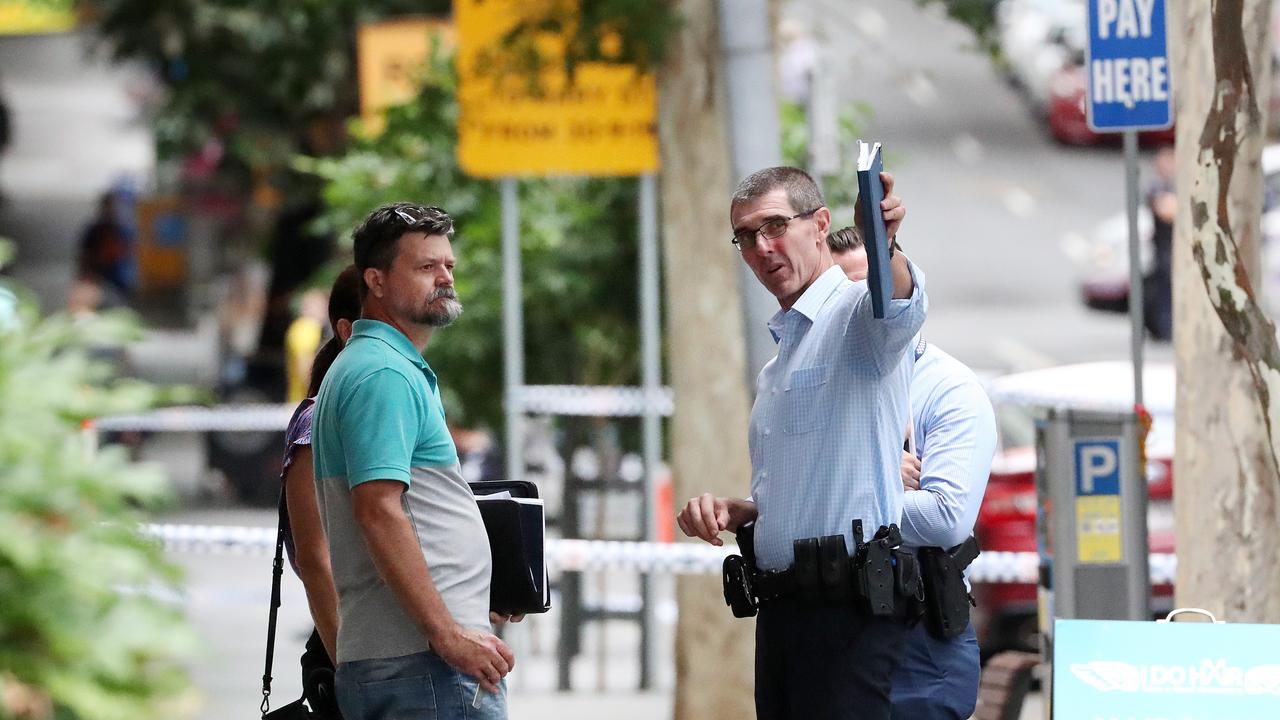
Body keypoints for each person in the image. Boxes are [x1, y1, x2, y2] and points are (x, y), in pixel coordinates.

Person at [677, 166, 927, 719]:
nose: (761, 248)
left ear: (820, 226)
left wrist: (885, 244)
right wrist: (746, 512)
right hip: (785, 610)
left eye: (773, 227)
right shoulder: (780, 361)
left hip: (848, 613)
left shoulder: (855, 318)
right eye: (744, 235)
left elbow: (898, 306)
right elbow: (812, 485)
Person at [312, 203, 515, 720]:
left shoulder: (381, 365)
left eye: (448, 265)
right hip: (422, 668)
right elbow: (378, 510)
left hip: (416, 665)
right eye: (426, 267)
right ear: (375, 281)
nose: (445, 277)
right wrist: (445, 633)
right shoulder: (383, 373)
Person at [830, 226, 997, 719]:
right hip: (836, 632)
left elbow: (944, 518)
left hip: (919, 635)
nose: (861, 306)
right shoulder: (823, 384)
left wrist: (843, 493)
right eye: (843, 295)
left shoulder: (948, 391)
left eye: (871, 288)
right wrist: (878, 472)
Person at [275, 264, 361, 719]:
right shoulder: (316, 423)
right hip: (355, 648)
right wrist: (350, 665)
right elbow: (315, 557)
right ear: (347, 331)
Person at [1144, 146, 1175, 341]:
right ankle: (1165, 330)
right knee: (1164, 291)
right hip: (1164, 249)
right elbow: (1167, 212)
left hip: (1178, 250)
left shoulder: (1179, 186)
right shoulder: (1156, 187)